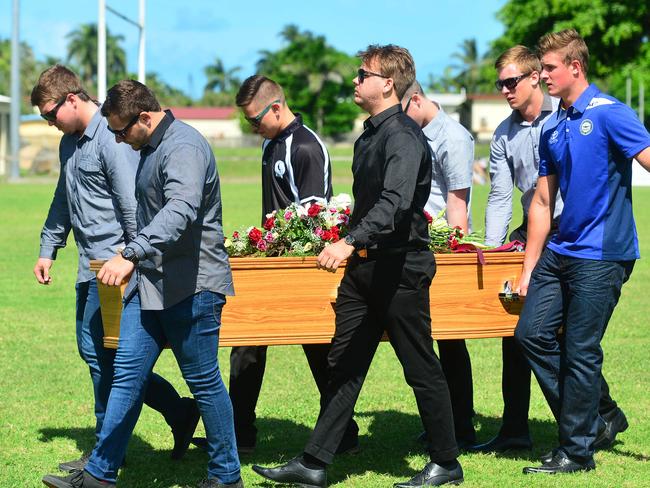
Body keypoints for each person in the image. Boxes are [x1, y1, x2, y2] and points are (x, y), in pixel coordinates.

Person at [251, 44, 463, 488]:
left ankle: (446, 462)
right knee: (343, 363)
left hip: (401, 269)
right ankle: (314, 462)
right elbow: (370, 203)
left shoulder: (403, 136)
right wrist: (351, 244)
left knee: (420, 366)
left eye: (362, 73)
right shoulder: (370, 134)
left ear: (387, 83)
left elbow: (395, 204)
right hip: (365, 271)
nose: (355, 80)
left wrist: (347, 242)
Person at [41, 80, 242, 488]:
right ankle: (99, 473)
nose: (116, 138)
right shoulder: (147, 147)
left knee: (203, 381)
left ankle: (226, 475)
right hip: (149, 283)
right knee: (126, 375)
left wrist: (129, 253)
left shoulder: (184, 147)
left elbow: (180, 211)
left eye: (119, 130)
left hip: (192, 287)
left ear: (145, 117)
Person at [31, 66, 198, 474]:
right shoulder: (71, 144)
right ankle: (177, 413)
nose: (49, 123)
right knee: (101, 356)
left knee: (111, 360)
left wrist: (131, 259)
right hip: (89, 267)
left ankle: (107, 453)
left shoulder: (112, 138)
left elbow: (132, 203)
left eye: (50, 114)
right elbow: (63, 197)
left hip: (115, 266)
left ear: (72, 99)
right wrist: (48, 246)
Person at [475, 45, 627, 454]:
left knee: (570, 341)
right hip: (541, 235)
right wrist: (496, 251)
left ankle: (595, 421)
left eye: (512, 81)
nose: (506, 90)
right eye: (500, 84)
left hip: (584, 238)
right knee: (524, 332)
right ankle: (521, 426)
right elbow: (506, 197)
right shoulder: (516, 133)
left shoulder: (579, 116)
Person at [514, 29, 650, 474]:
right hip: (559, 250)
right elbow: (540, 202)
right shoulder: (553, 127)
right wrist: (529, 267)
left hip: (604, 254)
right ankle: (598, 418)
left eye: (549, 68)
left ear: (575, 67)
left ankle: (576, 451)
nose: (543, 76)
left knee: (579, 349)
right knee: (530, 334)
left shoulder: (612, 114)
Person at [227, 74, 358, 454]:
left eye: (255, 120)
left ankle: (344, 434)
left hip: (304, 266)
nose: (253, 128)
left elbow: (315, 214)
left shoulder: (305, 148)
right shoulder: (272, 145)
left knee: (319, 349)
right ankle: (240, 435)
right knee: (247, 342)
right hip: (272, 264)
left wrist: (288, 252)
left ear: (277, 108)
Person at [400, 81, 477, 448]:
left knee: (450, 342)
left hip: (442, 248)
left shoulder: (454, 138)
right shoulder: (412, 133)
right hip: (416, 245)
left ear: (416, 100)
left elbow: (457, 205)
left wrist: (448, 252)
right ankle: (446, 421)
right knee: (429, 341)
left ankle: (460, 423)